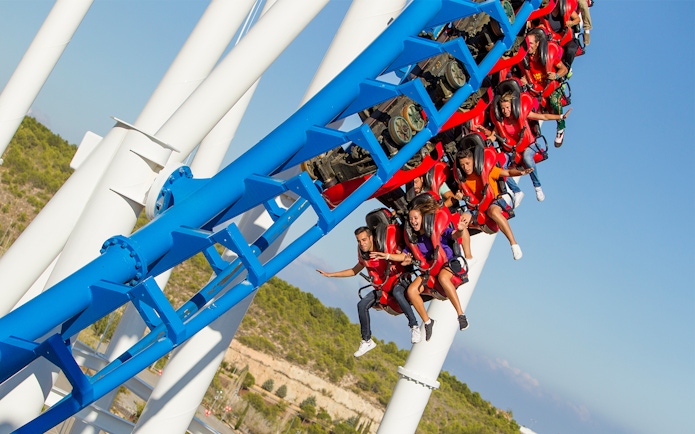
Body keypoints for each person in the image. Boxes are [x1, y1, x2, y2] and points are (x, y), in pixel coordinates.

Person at [374, 197, 470, 342]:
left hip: (447, 264)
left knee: (443, 278)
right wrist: (386, 255)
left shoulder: (436, 230)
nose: (413, 221)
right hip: (430, 270)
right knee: (411, 291)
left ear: (423, 217)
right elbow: (403, 256)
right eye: (411, 219)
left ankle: (461, 315)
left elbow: (453, 235)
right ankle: (427, 321)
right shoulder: (415, 241)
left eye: (415, 218)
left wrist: (461, 230)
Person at [316, 226, 421, 356]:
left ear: (371, 238)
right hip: (382, 287)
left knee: (398, 293)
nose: (362, 243)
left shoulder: (383, 248)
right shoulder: (364, 255)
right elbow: (354, 271)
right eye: (359, 241)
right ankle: (367, 340)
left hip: (397, 282)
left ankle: (414, 326)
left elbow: (402, 256)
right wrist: (330, 274)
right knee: (361, 305)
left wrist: (388, 256)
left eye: (364, 240)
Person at [481, 91, 573, 202]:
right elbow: (493, 136)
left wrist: (561, 116)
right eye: (503, 108)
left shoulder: (521, 115)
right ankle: (517, 191)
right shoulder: (501, 122)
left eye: (507, 107)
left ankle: (537, 187)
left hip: (530, 145)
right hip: (512, 150)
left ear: (513, 106)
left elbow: (543, 116)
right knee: (499, 167)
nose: (505, 111)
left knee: (527, 158)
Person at [456, 147, 533, 260]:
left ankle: (514, 244)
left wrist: (520, 172)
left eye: (467, 163)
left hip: (495, 201)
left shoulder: (487, 171)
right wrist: (461, 197)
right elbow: (468, 199)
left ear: (474, 161)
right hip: (477, 207)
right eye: (462, 165)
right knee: (460, 223)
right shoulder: (463, 181)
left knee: (493, 211)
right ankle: (468, 257)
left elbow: (507, 172)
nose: (466, 167)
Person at [517, 28, 570, 147]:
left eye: (531, 44)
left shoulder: (546, 57)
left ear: (537, 44)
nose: (528, 46)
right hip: (535, 89)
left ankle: (560, 128)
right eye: (527, 43)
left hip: (550, 87)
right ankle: (531, 134)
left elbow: (564, 69)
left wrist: (555, 75)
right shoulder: (526, 58)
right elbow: (525, 75)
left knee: (554, 100)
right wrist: (524, 80)